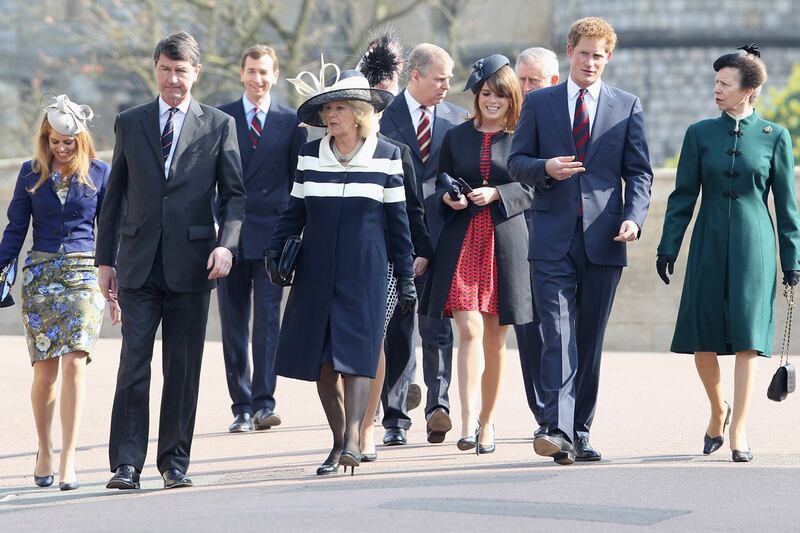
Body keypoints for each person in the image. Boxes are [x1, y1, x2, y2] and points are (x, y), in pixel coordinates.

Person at [96, 32, 246, 490]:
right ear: (155, 70)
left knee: (181, 369)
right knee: (133, 364)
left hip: (194, 265)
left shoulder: (219, 124)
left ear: (195, 73)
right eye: (165, 69)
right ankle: (126, 464)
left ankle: (173, 462)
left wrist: (228, 245)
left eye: (181, 70)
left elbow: (235, 197)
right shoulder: (130, 121)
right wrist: (106, 260)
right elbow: (115, 194)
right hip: (138, 262)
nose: (173, 78)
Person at [508, 17, 653, 465]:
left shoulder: (626, 106)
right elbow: (516, 161)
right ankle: (556, 427)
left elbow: (640, 173)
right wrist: (544, 169)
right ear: (570, 51)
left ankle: (580, 430)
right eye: (585, 52)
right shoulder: (541, 103)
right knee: (556, 333)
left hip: (605, 240)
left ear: (608, 59)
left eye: (600, 55)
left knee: (588, 341)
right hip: (550, 238)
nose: (592, 62)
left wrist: (633, 218)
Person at [266, 65, 416, 475]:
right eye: (328, 109)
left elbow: (399, 224)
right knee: (322, 363)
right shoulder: (310, 155)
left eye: (340, 109)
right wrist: (274, 250)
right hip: (315, 271)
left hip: (366, 271)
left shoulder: (387, 156)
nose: (332, 116)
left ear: (360, 114)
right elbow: (292, 211)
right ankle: (338, 442)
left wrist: (405, 278)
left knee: (359, 357)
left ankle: (353, 437)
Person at [656, 44, 800, 463]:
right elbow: (682, 196)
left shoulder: (776, 136)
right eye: (715, 82)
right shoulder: (699, 133)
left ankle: (739, 428)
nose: (716, 90)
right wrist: (669, 246)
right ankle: (718, 407)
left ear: (749, 89)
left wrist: (792, 261)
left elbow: (787, 207)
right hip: (708, 241)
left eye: (725, 83)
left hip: (756, 246)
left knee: (748, 341)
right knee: (702, 338)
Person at [0, 95, 119, 491]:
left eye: (69, 142)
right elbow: (16, 227)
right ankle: (44, 448)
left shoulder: (101, 172)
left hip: (85, 273)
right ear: (45, 139)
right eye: (54, 141)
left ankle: (69, 459)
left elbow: (111, 229)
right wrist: (3, 268)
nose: (62, 148)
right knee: (45, 373)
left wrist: (115, 279)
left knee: (74, 363)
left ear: (82, 139)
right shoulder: (30, 173)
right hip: (41, 273)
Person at [421, 55, 532, 454]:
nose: (492, 101)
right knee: (467, 330)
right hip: (463, 240)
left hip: (504, 241)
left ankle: (488, 423)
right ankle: (466, 423)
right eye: (486, 93)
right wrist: (448, 198)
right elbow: (436, 183)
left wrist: (499, 193)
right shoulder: (455, 135)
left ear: (511, 97)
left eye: (500, 95)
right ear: (477, 96)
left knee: (494, 340)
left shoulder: (522, 136)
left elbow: (535, 187)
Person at [380, 43, 466, 445]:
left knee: (437, 326)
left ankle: (438, 405)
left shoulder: (455, 119)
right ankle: (395, 418)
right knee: (397, 328)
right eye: (440, 78)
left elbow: (459, 173)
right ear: (414, 75)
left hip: (445, 233)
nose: (447, 85)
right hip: (397, 237)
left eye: (449, 78)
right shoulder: (381, 117)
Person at [217, 45, 306, 434]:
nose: (257, 79)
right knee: (233, 323)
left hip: (273, 238)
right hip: (229, 238)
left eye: (264, 72)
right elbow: (210, 182)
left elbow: (296, 185)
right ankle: (239, 405)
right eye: (251, 71)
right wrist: (215, 233)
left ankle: (263, 402)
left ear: (275, 74)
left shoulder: (292, 123)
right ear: (241, 73)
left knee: (268, 323)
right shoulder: (221, 118)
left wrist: (295, 236)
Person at [356, 30, 434, 461]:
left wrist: (419, 250)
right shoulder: (347, 101)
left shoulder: (407, 118)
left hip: (396, 249)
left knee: (402, 332)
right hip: (355, 249)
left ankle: (395, 417)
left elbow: (412, 206)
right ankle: (360, 419)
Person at [512, 46, 559, 438]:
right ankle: (544, 411)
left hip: (554, 235)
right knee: (528, 330)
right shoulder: (498, 113)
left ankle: (558, 412)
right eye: (521, 79)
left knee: (558, 328)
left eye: (534, 81)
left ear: (553, 82)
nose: (525, 88)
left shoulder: (560, 117)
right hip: (508, 236)